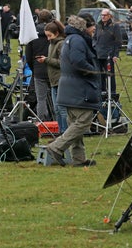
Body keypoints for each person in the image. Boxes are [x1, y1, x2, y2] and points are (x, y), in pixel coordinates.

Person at [45, 14, 101, 167]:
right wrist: (94, 71)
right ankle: (55, 148)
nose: (94, 30)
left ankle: (79, 159)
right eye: (92, 27)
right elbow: (78, 61)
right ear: (85, 27)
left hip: (68, 87)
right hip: (78, 88)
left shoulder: (70, 39)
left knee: (74, 124)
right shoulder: (77, 40)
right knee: (83, 122)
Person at [36, 20, 67, 133]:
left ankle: (64, 133)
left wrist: (46, 60)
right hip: (54, 81)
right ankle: (60, 132)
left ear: (57, 33)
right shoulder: (51, 44)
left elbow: (62, 62)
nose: (48, 38)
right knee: (56, 109)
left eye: (49, 35)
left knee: (62, 109)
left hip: (61, 81)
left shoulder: (61, 44)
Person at [25, 10, 53, 122]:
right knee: (55, 97)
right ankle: (57, 120)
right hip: (52, 67)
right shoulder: (54, 32)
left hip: (38, 68)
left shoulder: (32, 33)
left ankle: (42, 121)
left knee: (41, 99)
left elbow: (28, 55)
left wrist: (34, 68)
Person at [94, 9, 122, 94]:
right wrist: (94, 46)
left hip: (109, 54)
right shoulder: (98, 25)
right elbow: (94, 38)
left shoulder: (114, 26)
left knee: (110, 75)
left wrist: (115, 54)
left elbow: (118, 41)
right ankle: (102, 92)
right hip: (98, 54)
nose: (103, 17)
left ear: (109, 16)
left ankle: (112, 93)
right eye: (102, 15)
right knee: (100, 75)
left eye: (105, 15)